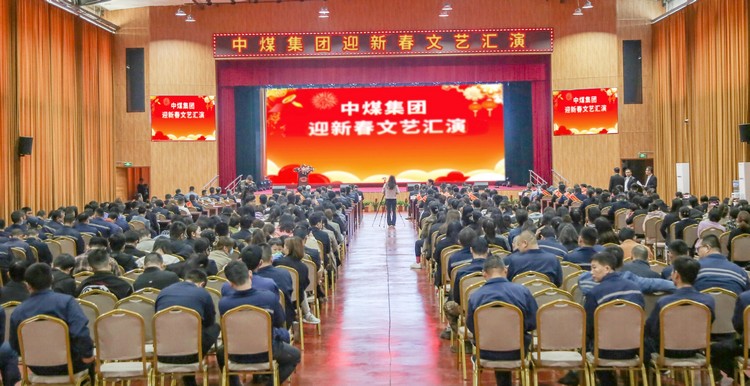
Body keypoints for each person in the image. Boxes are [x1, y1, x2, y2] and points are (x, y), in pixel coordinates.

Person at [218, 261, 300, 386]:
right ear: (250, 274)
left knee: (220, 352)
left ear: (229, 283)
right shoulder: (268, 297)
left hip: (235, 354)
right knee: (295, 356)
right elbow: (280, 320)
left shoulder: (224, 304)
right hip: (267, 351)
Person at [10, 263, 94, 377]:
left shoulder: (18, 311)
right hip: (70, 365)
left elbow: (15, 345)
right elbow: (80, 333)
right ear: (52, 279)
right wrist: (88, 355)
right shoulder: (67, 302)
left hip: (37, 367)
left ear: (28, 285)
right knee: (92, 362)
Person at [466, 255, 537, 386]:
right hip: (517, 352)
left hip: (486, 353)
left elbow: (472, 326)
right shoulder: (522, 292)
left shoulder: (475, 296)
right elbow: (533, 322)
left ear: (484, 274)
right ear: (505, 270)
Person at [582, 252, 645, 385]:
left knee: (586, 341)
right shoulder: (634, 288)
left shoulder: (594, 293)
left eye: (594, 267)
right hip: (634, 348)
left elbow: (588, 326)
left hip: (604, 351)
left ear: (607, 268)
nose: (591, 272)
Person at [155, 269, 219, 386]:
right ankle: (192, 367)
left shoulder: (163, 292)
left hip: (163, 353)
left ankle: (188, 375)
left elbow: (158, 321)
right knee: (215, 327)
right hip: (191, 353)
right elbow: (210, 321)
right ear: (202, 284)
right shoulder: (202, 293)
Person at [645, 257, 714, 365]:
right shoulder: (708, 301)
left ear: (676, 275)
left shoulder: (664, 302)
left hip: (666, 350)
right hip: (695, 348)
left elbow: (652, 329)